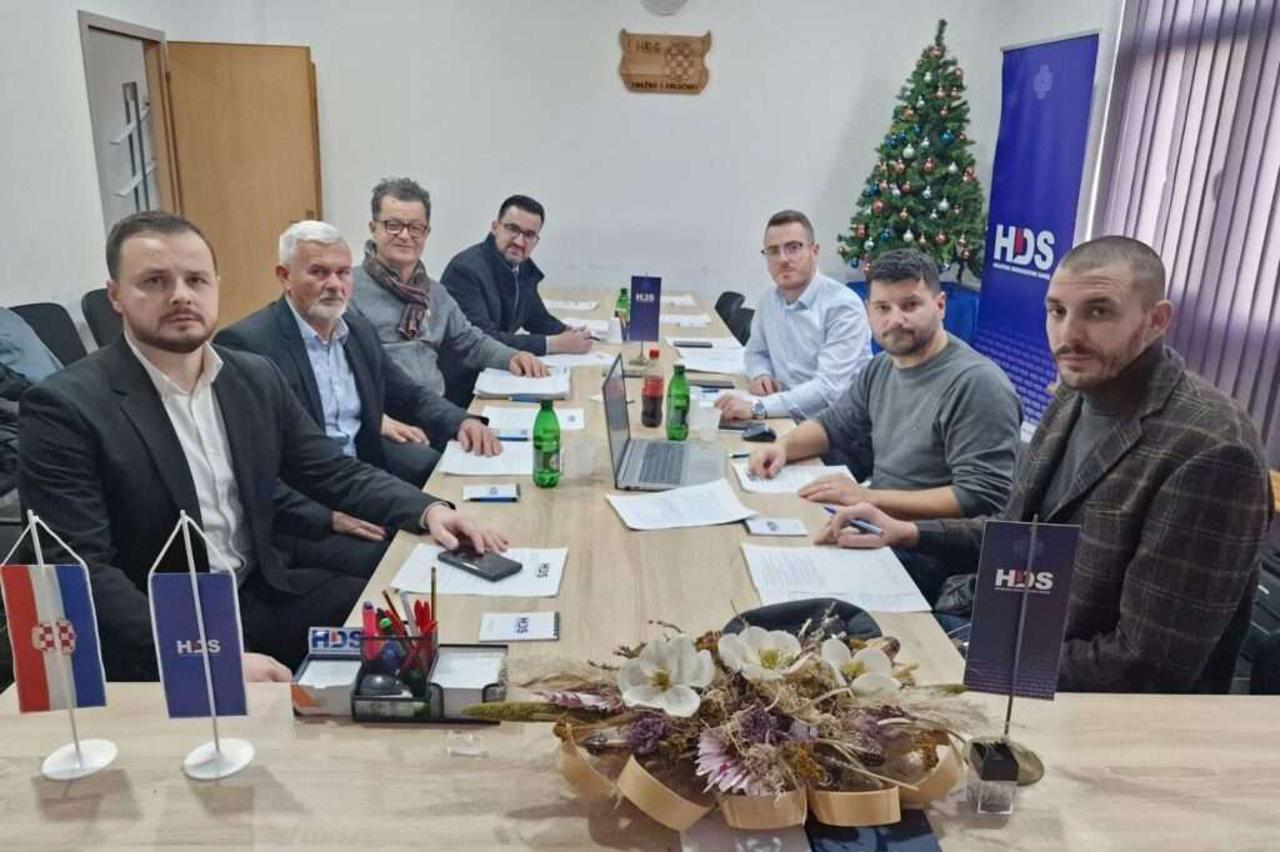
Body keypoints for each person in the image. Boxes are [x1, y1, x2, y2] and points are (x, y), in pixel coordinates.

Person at [19, 211, 507, 682]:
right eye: (154, 281)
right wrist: (207, 655)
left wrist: (428, 511)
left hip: (256, 592)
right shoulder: (66, 407)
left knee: (408, 626)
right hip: (159, 628)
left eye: (196, 280)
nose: (181, 295)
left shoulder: (251, 377)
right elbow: (78, 570)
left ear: (215, 285)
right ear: (116, 295)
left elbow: (330, 470)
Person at [820, 236, 1273, 693]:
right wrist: (908, 532)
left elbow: (1145, 665)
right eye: (1057, 311)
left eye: (1099, 312)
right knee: (828, 638)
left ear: (1156, 320)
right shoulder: (1077, 394)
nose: (1069, 335)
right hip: (1007, 631)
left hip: (1084, 698)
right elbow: (1020, 534)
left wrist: (973, 660)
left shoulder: (1211, 450)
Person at [216, 220, 502, 577]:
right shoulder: (248, 346)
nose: (334, 285)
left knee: (456, 508)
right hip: (302, 511)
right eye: (318, 272)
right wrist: (326, 517)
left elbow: (407, 394)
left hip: (359, 480)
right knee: (406, 564)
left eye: (342, 273)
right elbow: (252, 473)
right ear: (284, 276)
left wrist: (462, 421)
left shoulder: (356, 329)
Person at [747, 248, 1021, 524]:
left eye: (910, 305)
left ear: (940, 306)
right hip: (876, 521)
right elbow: (832, 426)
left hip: (921, 541)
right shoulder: (881, 367)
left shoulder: (977, 384)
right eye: (883, 308)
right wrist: (783, 447)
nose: (895, 320)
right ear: (868, 310)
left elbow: (979, 497)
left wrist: (868, 498)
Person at [349, 177, 549, 407]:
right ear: (373, 228)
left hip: (436, 410)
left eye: (415, 228)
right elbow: (346, 377)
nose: (405, 235)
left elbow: (471, 342)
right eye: (393, 225)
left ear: (426, 233)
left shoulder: (435, 294)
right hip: (386, 417)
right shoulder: (348, 292)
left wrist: (513, 357)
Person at [715, 210, 871, 422]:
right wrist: (761, 374)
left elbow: (827, 390)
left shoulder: (843, 307)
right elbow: (755, 352)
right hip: (783, 415)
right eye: (773, 251)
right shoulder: (768, 301)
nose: (783, 259)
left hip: (833, 427)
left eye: (793, 247)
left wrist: (758, 407)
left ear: (814, 251)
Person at [441, 193, 593, 358]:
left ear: (536, 240)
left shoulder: (521, 267)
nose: (519, 242)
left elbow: (536, 318)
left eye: (529, 235)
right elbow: (483, 341)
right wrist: (553, 344)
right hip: (465, 370)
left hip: (496, 365)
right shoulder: (465, 271)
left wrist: (567, 332)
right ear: (495, 227)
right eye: (513, 229)